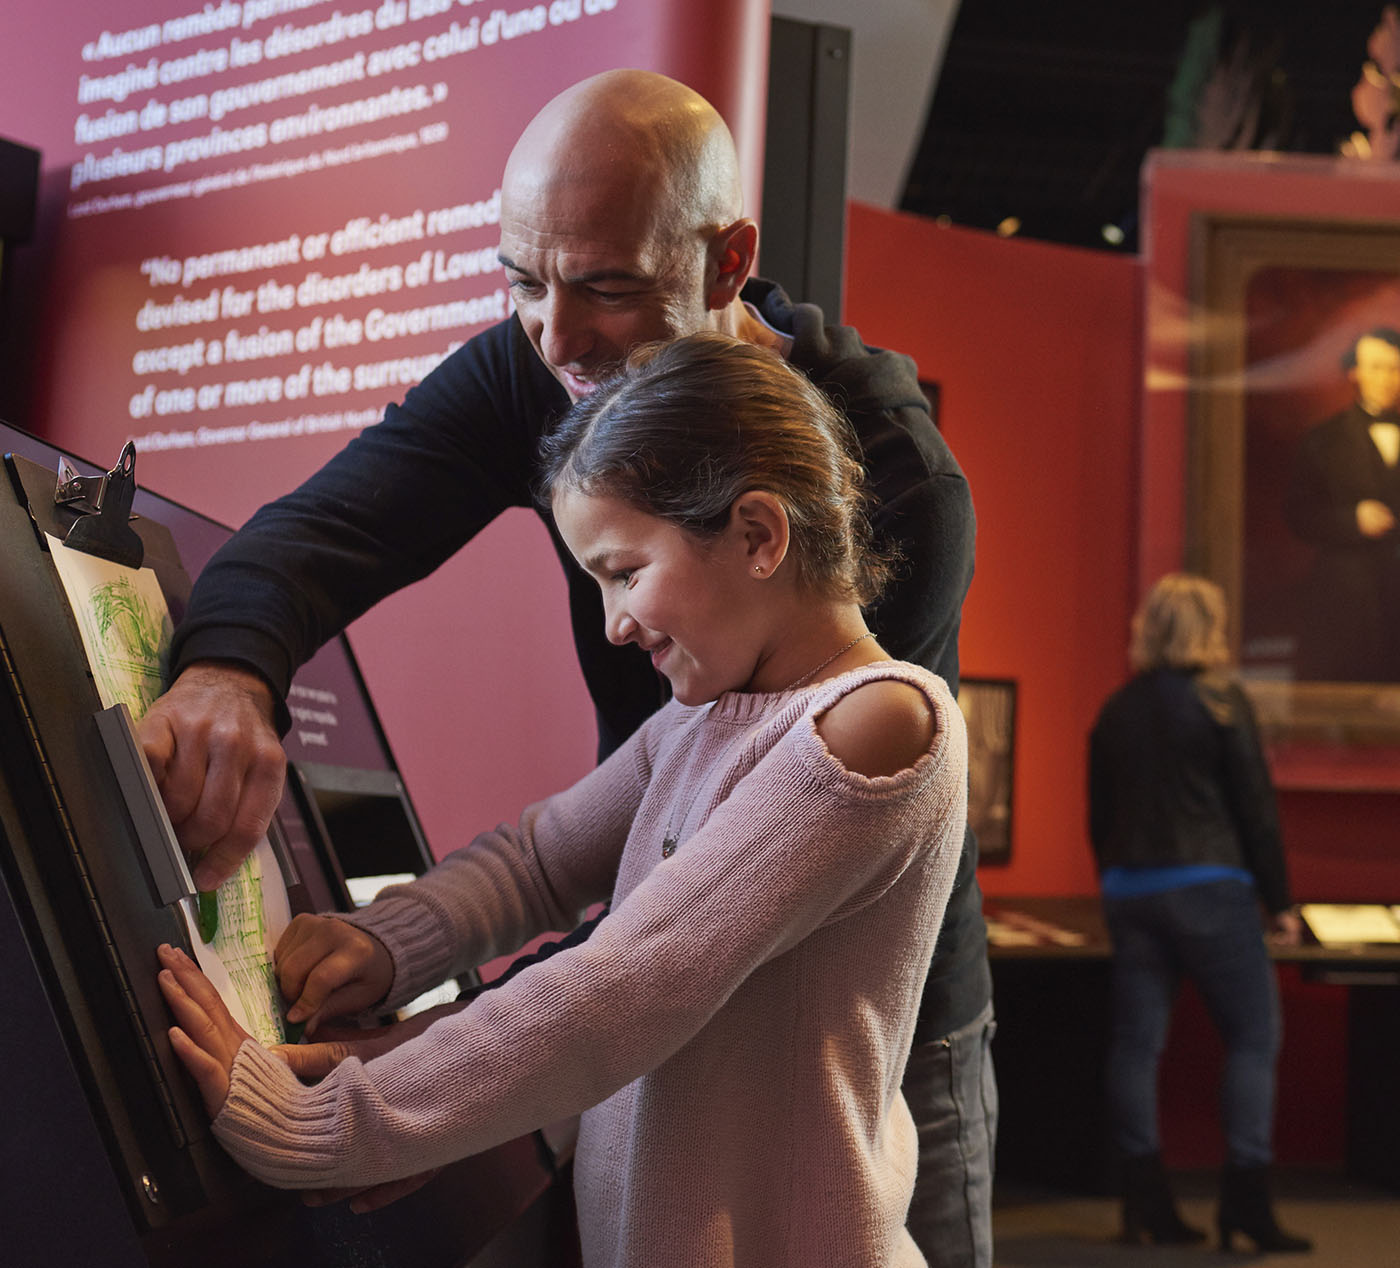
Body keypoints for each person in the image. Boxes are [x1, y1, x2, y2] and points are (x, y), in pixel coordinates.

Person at [137, 69, 995, 1265]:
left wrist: (394, 1093)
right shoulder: (562, 374)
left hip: (822, 1026)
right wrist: (230, 677)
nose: (552, 335)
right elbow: (553, 850)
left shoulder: (880, 601)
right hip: (637, 1003)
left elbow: (643, 969)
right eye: (522, 282)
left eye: (604, 287)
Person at [1087, 573, 1311, 1255]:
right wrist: (1280, 902)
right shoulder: (1223, 702)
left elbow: (1099, 816)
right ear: (1210, 628)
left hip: (1131, 889)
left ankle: (1145, 1205)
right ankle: (1245, 1205)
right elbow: (1255, 811)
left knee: (1137, 1045)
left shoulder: (1117, 709)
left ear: (1149, 627)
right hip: (1212, 887)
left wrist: (1115, 884)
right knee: (1252, 1038)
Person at [1283, 326, 1400, 682]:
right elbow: (1298, 516)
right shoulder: (1324, 439)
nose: (1386, 378)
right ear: (1355, 372)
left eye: (1395, 369)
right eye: (1377, 367)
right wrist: (1351, 521)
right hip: (1347, 602)